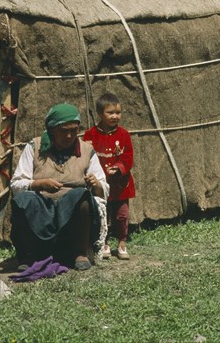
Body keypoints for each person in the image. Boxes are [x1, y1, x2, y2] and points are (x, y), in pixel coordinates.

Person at [10, 103, 109, 272]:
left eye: (74, 130)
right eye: (64, 130)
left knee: (82, 197)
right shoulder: (34, 147)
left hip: (72, 211)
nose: (70, 135)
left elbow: (104, 189)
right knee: (23, 200)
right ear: (51, 130)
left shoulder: (87, 150)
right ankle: (29, 254)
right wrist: (39, 184)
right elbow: (16, 184)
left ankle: (80, 252)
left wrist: (97, 184)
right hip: (41, 206)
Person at [83, 92, 135, 260]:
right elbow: (84, 155)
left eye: (118, 112)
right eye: (110, 112)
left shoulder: (124, 135)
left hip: (120, 183)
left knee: (121, 215)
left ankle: (121, 242)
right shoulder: (90, 135)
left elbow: (128, 156)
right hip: (99, 183)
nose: (115, 116)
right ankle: (103, 242)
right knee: (101, 212)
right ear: (99, 114)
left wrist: (119, 168)